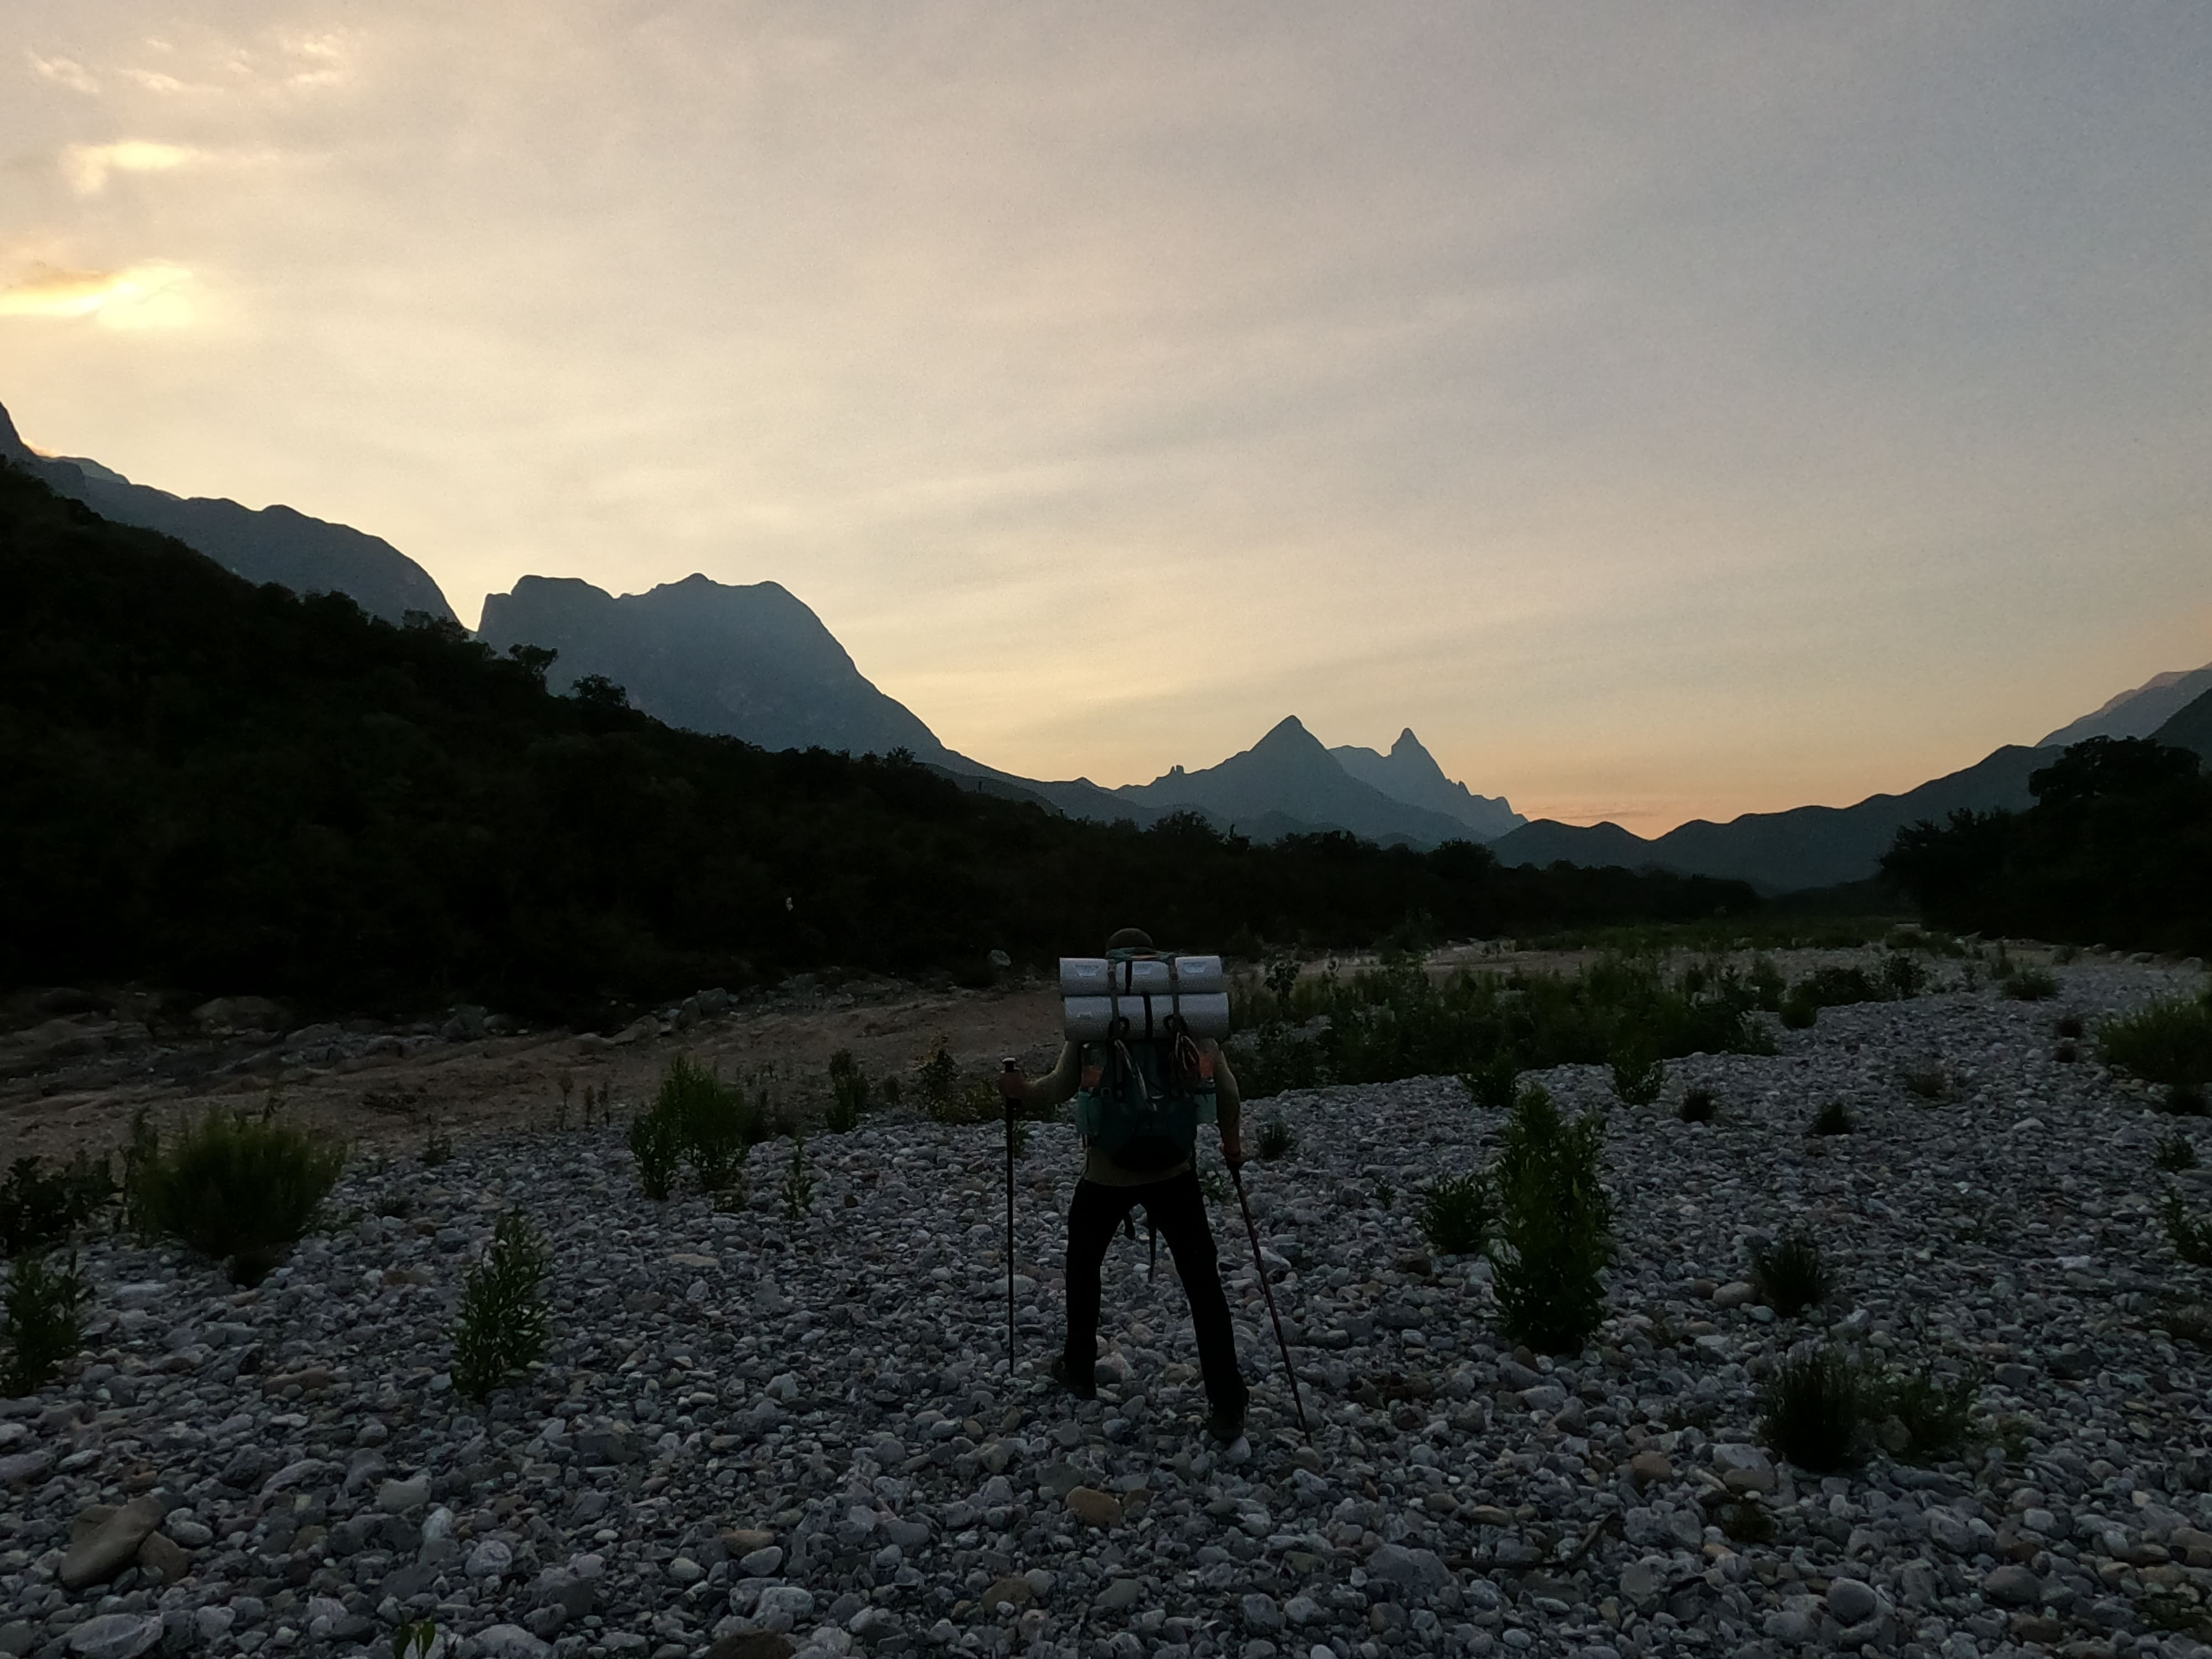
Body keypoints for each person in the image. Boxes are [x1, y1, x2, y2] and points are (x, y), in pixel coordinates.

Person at [998, 927, 1250, 1444]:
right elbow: (1226, 1091)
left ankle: (1080, 1371)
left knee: (1083, 1267)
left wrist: (1019, 1091)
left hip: (1106, 1174)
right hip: (1174, 1172)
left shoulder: (1097, 1017)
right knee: (1203, 1284)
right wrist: (1232, 1148)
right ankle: (1227, 1403)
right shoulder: (1185, 1013)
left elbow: (1058, 1089)